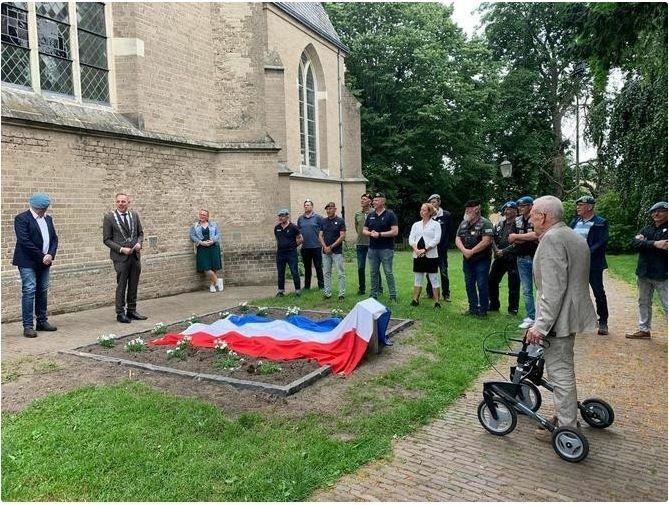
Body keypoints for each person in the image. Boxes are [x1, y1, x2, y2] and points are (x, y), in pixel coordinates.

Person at [525, 195, 596, 435]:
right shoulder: (572, 235)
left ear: (543, 216)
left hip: (559, 318)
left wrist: (540, 326)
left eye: (533, 213)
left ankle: (567, 426)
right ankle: (565, 415)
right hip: (571, 314)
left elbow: (552, 290)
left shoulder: (552, 240)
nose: (529, 217)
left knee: (560, 372)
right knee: (563, 367)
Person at [12, 193, 59, 338]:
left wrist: (50, 254)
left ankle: (42, 321)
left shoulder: (48, 219)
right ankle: (28, 326)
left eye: (44, 209)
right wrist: (42, 256)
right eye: (40, 209)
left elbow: (54, 239)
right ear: (34, 207)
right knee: (29, 290)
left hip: (45, 261)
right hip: (27, 261)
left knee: (43, 290)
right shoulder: (22, 219)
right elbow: (24, 241)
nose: (43, 211)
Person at [625, 201, 668, 340]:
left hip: (663, 273)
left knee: (667, 304)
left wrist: (645, 243)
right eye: (653, 211)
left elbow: (665, 246)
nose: (656, 213)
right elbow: (634, 243)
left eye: (660, 210)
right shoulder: (646, 229)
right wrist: (655, 244)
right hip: (644, 272)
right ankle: (644, 329)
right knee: (643, 301)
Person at [103, 193, 147, 324]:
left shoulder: (134, 215)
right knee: (121, 285)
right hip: (120, 257)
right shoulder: (109, 217)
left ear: (128, 202)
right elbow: (106, 239)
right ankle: (120, 313)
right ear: (115, 203)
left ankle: (132, 310)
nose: (121, 204)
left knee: (134, 284)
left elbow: (140, 233)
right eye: (118, 201)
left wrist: (139, 243)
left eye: (123, 201)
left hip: (135, 256)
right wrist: (121, 249)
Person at [569, 195, 610, 335]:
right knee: (574, 291)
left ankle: (603, 321)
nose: (578, 207)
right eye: (577, 205)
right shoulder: (575, 222)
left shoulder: (600, 222)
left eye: (581, 204)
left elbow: (601, 243)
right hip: (575, 264)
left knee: (598, 291)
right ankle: (576, 321)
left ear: (590, 206)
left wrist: (584, 253)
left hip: (593, 264)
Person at [455, 199, 494, 317]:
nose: (466, 212)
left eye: (469, 210)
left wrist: (471, 251)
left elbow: (486, 241)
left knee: (482, 284)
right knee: (469, 284)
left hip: (482, 259)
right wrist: (464, 251)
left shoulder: (485, 223)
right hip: (467, 260)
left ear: (477, 210)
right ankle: (472, 308)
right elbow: (457, 238)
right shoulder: (463, 223)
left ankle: (483, 310)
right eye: (466, 210)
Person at [508, 196, 539, 329]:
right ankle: (531, 316)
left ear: (531, 206)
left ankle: (541, 317)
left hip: (536, 257)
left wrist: (518, 237)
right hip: (521, 257)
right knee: (527, 290)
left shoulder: (537, 218)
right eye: (519, 206)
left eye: (523, 206)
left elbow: (537, 235)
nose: (520, 208)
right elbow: (511, 238)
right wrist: (526, 238)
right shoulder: (517, 220)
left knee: (540, 289)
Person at [363, 192, 399, 302]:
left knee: (388, 272)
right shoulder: (371, 215)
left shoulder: (390, 214)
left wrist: (379, 234)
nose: (374, 202)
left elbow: (395, 231)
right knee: (373, 272)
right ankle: (373, 295)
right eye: (373, 200)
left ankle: (393, 296)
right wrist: (370, 233)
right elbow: (364, 230)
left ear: (383, 202)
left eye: (376, 200)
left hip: (386, 248)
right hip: (373, 248)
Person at [488, 201, 520, 315]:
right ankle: (494, 305)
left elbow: (519, 242)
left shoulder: (519, 224)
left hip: (513, 258)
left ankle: (513, 309)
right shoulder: (500, 224)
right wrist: (496, 250)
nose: (507, 211)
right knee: (491, 280)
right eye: (506, 209)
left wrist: (504, 251)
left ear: (516, 211)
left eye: (510, 209)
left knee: (513, 284)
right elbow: (492, 239)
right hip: (499, 258)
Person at [408, 203, 442, 308]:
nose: (421, 211)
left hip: (431, 255)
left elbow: (437, 239)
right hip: (417, 255)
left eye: (424, 210)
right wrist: (416, 250)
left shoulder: (436, 225)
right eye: (421, 209)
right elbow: (411, 238)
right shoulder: (416, 225)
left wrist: (425, 249)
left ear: (429, 212)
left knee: (433, 278)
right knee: (418, 277)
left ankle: (437, 302)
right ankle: (415, 299)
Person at [189, 208, 223, 293]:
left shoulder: (214, 224)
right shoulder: (195, 225)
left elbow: (218, 234)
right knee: (206, 268)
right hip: (202, 248)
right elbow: (192, 236)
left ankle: (212, 286)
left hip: (213, 247)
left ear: (207, 216)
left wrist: (213, 240)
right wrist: (200, 242)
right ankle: (218, 282)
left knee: (214, 267)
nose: (202, 216)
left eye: (204, 215)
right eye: (200, 214)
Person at [426, 193, 452, 302]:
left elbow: (450, 232)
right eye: (430, 202)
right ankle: (430, 292)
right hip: (430, 249)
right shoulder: (428, 216)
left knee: (443, 272)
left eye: (434, 202)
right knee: (430, 272)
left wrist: (444, 244)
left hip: (441, 250)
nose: (432, 204)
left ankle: (446, 294)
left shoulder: (446, 215)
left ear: (439, 202)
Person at [319, 202, 347, 300]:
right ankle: (327, 293)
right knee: (326, 273)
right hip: (325, 251)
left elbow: (342, 236)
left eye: (330, 209)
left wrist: (331, 247)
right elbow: (320, 235)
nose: (328, 211)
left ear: (335, 209)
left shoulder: (340, 221)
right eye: (327, 209)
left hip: (336, 251)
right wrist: (325, 247)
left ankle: (341, 294)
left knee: (340, 273)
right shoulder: (323, 221)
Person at [274, 208, 303, 297]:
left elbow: (300, 239)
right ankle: (280, 291)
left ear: (287, 216)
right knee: (281, 272)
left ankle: (298, 290)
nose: (281, 218)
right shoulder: (277, 228)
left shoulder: (293, 227)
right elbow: (277, 239)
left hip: (291, 253)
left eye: (282, 216)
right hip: (280, 254)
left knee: (294, 271)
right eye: (279, 216)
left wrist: (293, 246)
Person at [297, 199, 323, 290]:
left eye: (308, 205)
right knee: (307, 268)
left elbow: (323, 230)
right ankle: (307, 286)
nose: (306, 206)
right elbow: (298, 232)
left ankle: (321, 286)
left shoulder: (318, 218)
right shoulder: (300, 219)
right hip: (305, 247)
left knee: (318, 266)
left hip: (316, 246)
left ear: (312, 207)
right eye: (305, 205)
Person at [354, 192, 374, 295]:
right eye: (361, 199)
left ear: (370, 201)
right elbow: (357, 228)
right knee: (360, 267)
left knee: (374, 268)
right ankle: (362, 289)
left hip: (372, 244)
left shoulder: (374, 213)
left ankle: (377, 288)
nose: (362, 201)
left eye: (365, 199)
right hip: (360, 243)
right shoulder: (357, 214)